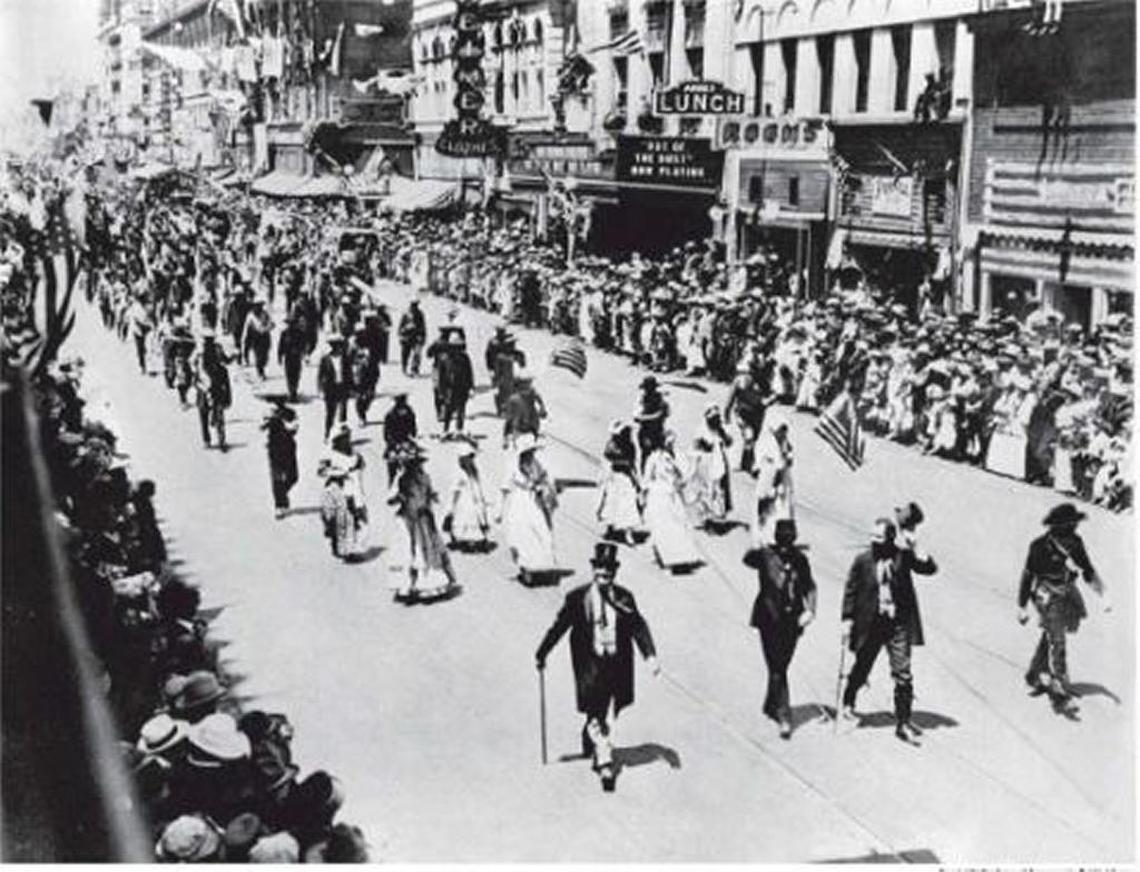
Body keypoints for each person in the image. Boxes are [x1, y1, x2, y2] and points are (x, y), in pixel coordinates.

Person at [535, 542, 660, 793]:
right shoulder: (578, 598)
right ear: (593, 571)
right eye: (599, 571)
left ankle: (590, 735)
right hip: (588, 662)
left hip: (617, 662)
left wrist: (650, 655)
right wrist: (542, 652)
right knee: (596, 707)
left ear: (614, 573)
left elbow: (637, 625)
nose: (603, 576)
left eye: (608, 572)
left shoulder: (624, 597)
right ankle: (604, 760)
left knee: (605, 710)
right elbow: (559, 627)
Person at [840, 506, 938, 744]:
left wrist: (916, 547)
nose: (874, 543)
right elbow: (851, 591)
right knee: (862, 664)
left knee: (903, 673)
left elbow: (929, 568)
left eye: (879, 538)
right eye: (872, 538)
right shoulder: (863, 560)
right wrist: (847, 619)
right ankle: (848, 701)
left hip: (898, 624)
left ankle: (903, 722)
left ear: (891, 538)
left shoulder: (902, 556)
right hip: (871, 623)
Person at [1017, 502, 1109, 709]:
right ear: (1057, 526)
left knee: (1051, 633)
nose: (1074, 528)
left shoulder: (1075, 542)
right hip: (1045, 594)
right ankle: (1058, 690)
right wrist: (1021, 606)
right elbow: (1028, 576)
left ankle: (1034, 673)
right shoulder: (1039, 546)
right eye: (1070, 525)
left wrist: (1102, 593)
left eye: (1075, 524)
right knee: (1057, 638)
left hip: (1066, 592)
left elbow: (1087, 568)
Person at [749, 519, 816, 738]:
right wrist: (756, 543)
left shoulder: (800, 560)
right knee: (778, 666)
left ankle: (771, 703)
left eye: (789, 542)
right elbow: (747, 559)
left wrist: (810, 611)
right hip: (768, 618)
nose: (786, 548)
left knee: (781, 664)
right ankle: (784, 715)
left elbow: (809, 586)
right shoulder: (765, 555)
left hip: (792, 620)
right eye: (782, 541)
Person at [387, 441, 457, 602]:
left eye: (415, 464)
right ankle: (407, 585)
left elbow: (429, 495)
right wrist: (399, 496)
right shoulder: (401, 480)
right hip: (406, 519)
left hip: (423, 518)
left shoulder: (424, 478)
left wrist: (430, 501)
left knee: (426, 550)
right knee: (408, 550)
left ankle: (428, 584)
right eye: (409, 464)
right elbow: (390, 499)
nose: (412, 467)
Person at [500, 434, 559, 584]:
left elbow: (544, 478)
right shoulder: (512, 465)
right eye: (528, 451)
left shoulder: (536, 464)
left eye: (532, 451)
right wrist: (499, 510)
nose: (530, 454)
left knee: (539, 530)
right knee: (522, 533)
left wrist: (544, 488)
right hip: (520, 501)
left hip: (534, 502)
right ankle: (526, 567)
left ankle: (538, 565)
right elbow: (505, 487)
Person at [642, 432, 702, 573]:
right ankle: (668, 559)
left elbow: (683, 475)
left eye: (672, 443)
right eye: (668, 443)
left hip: (672, 496)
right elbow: (647, 479)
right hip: (658, 496)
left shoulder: (675, 457)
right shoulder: (654, 458)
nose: (670, 445)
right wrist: (644, 495)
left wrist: (693, 465)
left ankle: (674, 557)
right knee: (664, 527)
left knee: (677, 526)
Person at [318, 424, 367, 560]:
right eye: (343, 438)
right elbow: (321, 471)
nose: (346, 441)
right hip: (335, 488)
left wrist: (355, 471)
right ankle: (337, 544)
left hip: (353, 488)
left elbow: (361, 465)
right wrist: (336, 472)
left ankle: (349, 550)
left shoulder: (355, 454)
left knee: (352, 519)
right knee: (335, 518)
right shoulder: (329, 454)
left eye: (348, 437)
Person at [750, 410, 794, 549]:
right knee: (766, 509)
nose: (782, 433)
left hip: (783, 481)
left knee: (782, 509)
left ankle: (779, 538)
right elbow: (759, 465)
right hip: (769, 480)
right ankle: (763, 538)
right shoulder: (765, 443)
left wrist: (787, 459)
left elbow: (788, 459)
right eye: (780, 429)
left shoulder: (784, 443)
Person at [595, 420, 642, 545]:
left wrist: (636, 480)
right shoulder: (611, 444)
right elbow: (608, 458)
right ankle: (610, 529)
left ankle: (628, 533)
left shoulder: (630, 446)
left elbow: (631, 463)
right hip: (613, 476)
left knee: (627, 504)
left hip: (625, 477)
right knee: (611, 503)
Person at [689, 404, 733, 528]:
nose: (716, 421)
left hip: (719, 461)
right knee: (705, 489)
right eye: (713, 418)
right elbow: (695, 449)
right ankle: (703, 516)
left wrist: (723, 434)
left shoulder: (719, 430)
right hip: (705, 463)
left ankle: (717, 513)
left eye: (717, 418)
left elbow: (729, 442)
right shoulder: (701, 431)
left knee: (719, 488)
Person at [444, 442, 492, 551]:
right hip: (464, 499)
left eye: (471, 457)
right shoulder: (459, 473)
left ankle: (476, 537)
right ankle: (462, 538)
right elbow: (455, 490)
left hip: (474, 497)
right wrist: (452, 505)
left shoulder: (474, 472)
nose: (470, 460)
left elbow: (478, 484)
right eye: (468, 458)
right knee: (464, 516)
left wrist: (482, 497)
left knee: (477, 515)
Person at [723, 363, 768, 473]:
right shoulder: (739, 381)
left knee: (752, 440)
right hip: (742, 413)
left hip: (757, 413)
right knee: (749, 436)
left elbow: (768, 396)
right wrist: (726, 413)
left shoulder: (763, 382)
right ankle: (748, 464)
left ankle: (746, 463)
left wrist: (767, 401)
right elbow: (730, 397)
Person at [191, 331, 231, 450]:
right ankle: (215, 439)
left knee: (206, 414)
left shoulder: (202, 351)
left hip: (209, 385)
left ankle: (209, 439)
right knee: (210, 413)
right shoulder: (202, 351)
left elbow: (192, 364)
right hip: (210, 384)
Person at [261, 398, 299, 518]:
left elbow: (294, 427)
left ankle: (282, 496)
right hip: (275, 451)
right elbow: (261, 427)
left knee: (293, 477)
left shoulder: (290, 413)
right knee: (277, 479)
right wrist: (270, 420)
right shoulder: (269, 414)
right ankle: (279, 506)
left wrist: (284, 422)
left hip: (289, 449)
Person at [316, 335, 352, 440]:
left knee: (343, 413)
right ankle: (327, 434)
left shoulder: (345, 358)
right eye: (334, 345)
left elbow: (349, 374)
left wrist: (352, 388)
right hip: (330, 389)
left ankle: (342, 436)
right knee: (330, 413)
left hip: (342, 387)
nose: (336, 348)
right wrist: (320, 390)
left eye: (338, 345)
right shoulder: (325, 359)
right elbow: (320, 375)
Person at [634, 376, 669, 471]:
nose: (649, 391)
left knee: (659, 456)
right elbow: (636, 417)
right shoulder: (641, 399)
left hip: (658, 431)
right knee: (646, 455)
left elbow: (667, 413)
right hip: (646, 432)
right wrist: (656, 416)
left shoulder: (660, 399)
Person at [502, 374, 547, 447]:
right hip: (523, 425)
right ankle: (506, 439)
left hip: (530, 424)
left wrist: (542, 409)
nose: (525, 388)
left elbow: (540, 402)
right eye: (524, 386)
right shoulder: (514, 398)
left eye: (527, 385)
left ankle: (506, 439)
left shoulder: (531, 393)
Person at [383, 393, 418, 482]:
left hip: (399, 441)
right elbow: (413, 429)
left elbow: (386, 433)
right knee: (397, 460)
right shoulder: (408, 412)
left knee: (394, 463)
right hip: (401, 441)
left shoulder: (391, 413)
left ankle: (393, 480)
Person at [348, 326, 380, 426]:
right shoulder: (353, 345)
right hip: (358, 374)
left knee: (370, 395)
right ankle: (361, 416)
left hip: (370, 373)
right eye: (359, 333)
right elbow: (348, 360)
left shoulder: (371, 343)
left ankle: (364, 410)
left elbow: (375, 358)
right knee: (359, 396)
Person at [276, 315, 307, 402]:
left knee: (296, 374)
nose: (291, 325)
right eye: (290, 324)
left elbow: (303, 345)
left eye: (293, 324)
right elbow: (280, 346)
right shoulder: (284, 333)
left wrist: (303, 353)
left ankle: (294, 391)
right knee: (289, 374)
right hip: (288, 357)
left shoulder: (300, 333)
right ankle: (291, 392)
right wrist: (279, 356)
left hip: (297, 357)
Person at [242, 298, 273, 380]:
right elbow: (246, 327)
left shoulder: (265, 314)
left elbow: (271, 323)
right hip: (256, 338)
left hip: (265, 337)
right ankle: (260, 372)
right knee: (258, 356)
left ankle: (261, 368)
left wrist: (267, 327)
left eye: (260, 306)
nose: (258, 308)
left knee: (265, 356)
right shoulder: (250, 316)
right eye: (256, 306)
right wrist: (245, 338)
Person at [398, 299, 426, 376]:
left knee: (417, 354)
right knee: (405, 354)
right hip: (407, 337)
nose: (414, 307)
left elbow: (423, 326)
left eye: (416, 305)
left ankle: (415, 369)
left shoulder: (420, 314)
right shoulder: (406, 314)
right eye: (413, 305)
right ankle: (404, 368)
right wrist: (402, 332)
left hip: (416, 337)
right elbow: (401, 326)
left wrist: (422, 337)